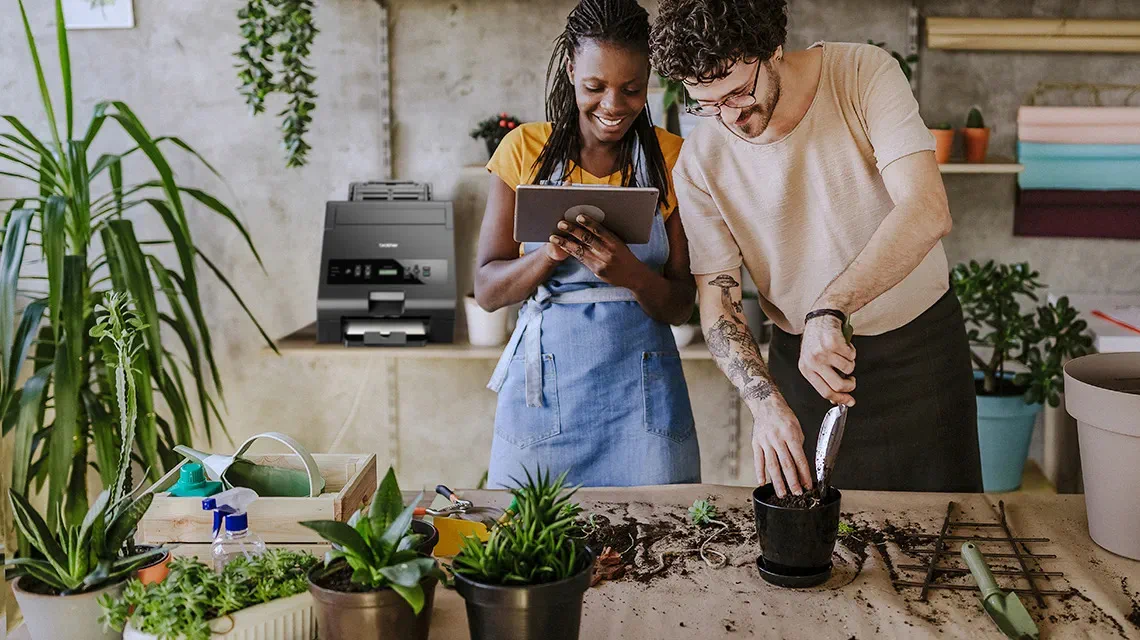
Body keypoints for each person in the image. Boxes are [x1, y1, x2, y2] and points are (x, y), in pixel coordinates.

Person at [650, 0, 981, 496]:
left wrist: (830, 308)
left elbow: (927, 210)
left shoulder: (862, 74)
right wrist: (764, 403)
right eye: (707, 103)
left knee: (943, 539)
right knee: (815, 545)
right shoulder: (700, 161)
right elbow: (717, 301)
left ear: (774, 48)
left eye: (739, 93)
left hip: (921, 358)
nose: (729, 118)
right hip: (803, 374)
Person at [475, 0, 700, 488]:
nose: (613, 106)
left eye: (632, 89)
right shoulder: (523, 151)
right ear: (572, 70)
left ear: (650, 78)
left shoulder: (672, 158)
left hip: (642, 403)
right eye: (595, 87)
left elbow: (681, 304)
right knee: (534, 550)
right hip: (547, 402)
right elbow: (489, 291)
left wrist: (631, 274)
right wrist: (548, 255)